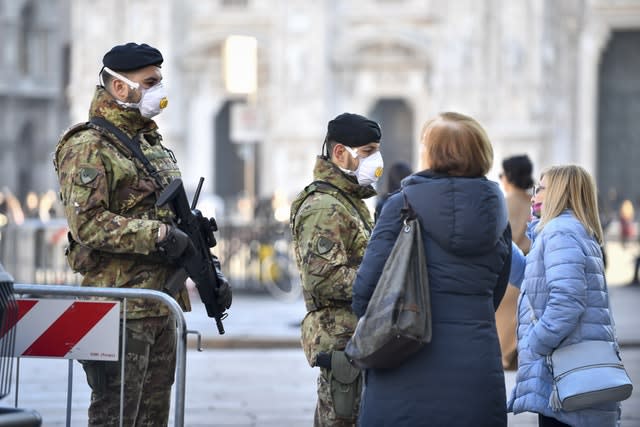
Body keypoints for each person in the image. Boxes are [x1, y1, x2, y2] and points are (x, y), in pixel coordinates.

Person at [54, 42, 231, 426]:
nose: (159, 91)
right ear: (120, 88)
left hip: (160, 303)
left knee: (153, 418)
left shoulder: (151, 144)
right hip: (119, 310)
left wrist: (210, 271)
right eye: (150, 82)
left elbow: (177, 218)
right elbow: (88, 224)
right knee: (116, 416)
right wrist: (159, 236)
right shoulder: (88, 145)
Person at [352, 111, 511, 426]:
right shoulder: (496, 215)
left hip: (403, 365)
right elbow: (495, 293)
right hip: (476, 374)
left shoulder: (402, 206)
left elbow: (364, 294)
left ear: (433, 154)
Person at [290, 112, 383, 426]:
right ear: (341, 153)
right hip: (342, 341)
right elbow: (324, 279)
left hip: (356, 337)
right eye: (368, 152)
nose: (377, 160)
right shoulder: (324, 206)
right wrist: (383, 280)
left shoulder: (347, 200)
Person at [508, 165, 619, 427]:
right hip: (565, 375)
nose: (534, 195)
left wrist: (536, 343)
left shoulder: (560, 232)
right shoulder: (564, 231)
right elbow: (532, 280)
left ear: (559, 193)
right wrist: (503, 243)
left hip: (565, 375)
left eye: (541, 189)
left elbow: (567, 302)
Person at [495, 154, 534, 370]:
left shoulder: (503, 204)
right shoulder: (536, 204)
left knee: (503, 352)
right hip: (531, 277)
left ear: (509, 176)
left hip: (506, 277)